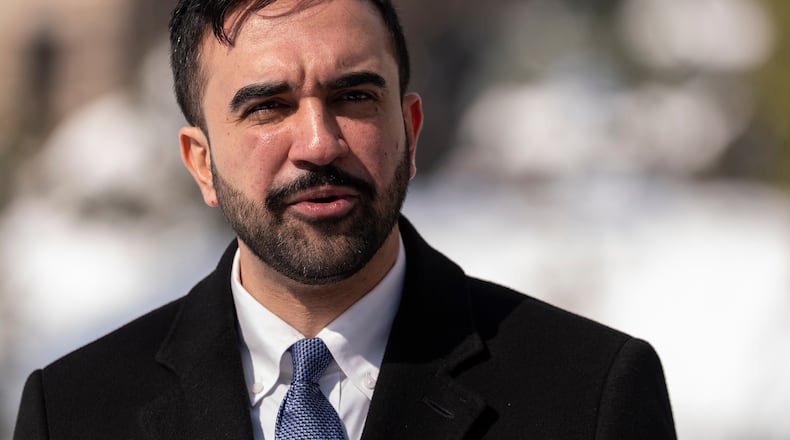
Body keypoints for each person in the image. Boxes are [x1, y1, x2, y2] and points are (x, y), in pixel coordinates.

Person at [13, 0, 676, 438]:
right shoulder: (74, 410)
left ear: (410, 133)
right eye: (268, 107)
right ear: (201, 163)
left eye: (354, 96)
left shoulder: (591, 396)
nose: (320, 143)